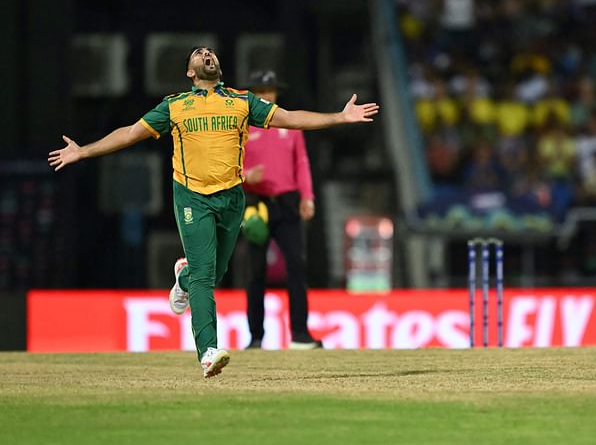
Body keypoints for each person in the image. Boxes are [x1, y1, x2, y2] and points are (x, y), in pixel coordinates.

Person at [48, 47, 379, 377]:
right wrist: (84, 152)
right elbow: (131, 133)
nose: (206, 54)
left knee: (213, 274)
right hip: (193, 198)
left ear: (217, 68)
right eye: (198, 53)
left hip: (232, 198)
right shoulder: (175, 106)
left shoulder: (240, 101)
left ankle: (182, 277)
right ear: (191, 73)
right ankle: (208, 351)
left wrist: (339, 117)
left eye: (209, 53)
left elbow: (290, 118)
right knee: (205, 278)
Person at [239, 70, 321, 350]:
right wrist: (247, 176)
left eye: (270, 91)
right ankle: (256, 337)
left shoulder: (288, 122)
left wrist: (307, 196)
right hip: (256, 206)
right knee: (255, 271)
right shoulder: (242, 126)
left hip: (287, 202)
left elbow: (301, 162)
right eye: (260, 92)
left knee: (297, 266)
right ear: (251, 94)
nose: (265, 97)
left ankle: (299, 333)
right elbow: (226, 167)